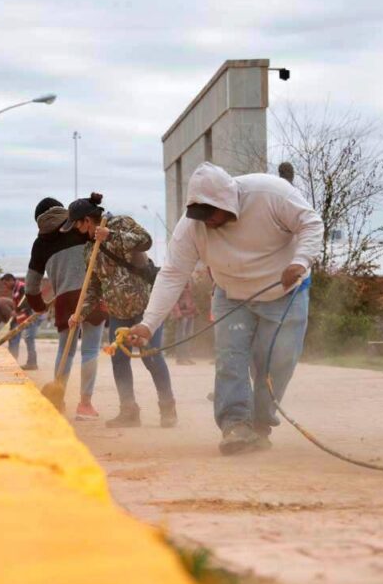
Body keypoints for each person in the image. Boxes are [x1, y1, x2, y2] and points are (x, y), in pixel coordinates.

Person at [129, 162, 324, 455]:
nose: (206, 221)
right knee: (230, 359)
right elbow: (172, 274)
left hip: (286, 291)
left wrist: (300, 260)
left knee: (277, 362)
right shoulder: (191, 226)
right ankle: (235, 425)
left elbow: (311, 223)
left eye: (211, 214)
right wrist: (148, 324)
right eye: (200, 215)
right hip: (231, 294)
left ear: (228, 200)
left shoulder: (270, 194)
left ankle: (260, 425)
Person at [65, 193, 177, 428]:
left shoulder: (121, 223)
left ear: (87, 220)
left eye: (76, 224)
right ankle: (129, 411)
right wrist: (80, 314)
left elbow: (145, 240)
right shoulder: (89, 250)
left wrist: (111, 236)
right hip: (117, 312)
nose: (76, 230)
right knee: (119, 361)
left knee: (152, 357)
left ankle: (168, 409)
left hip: (145, 308)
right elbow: (93, 288)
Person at [24, 197, 106, 420]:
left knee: (66, 351)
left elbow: (31, 286)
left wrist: (39, 307)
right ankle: (85, 405)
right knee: (89, 350)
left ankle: (57, 401)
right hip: (94, 293)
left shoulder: (40, 244)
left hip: (65, 301)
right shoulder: (79, 226)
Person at [0, 272, 41, 370]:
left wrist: (16, 312)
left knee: (28, 339)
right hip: (24, 317)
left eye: (5, 284)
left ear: (11, 280)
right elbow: (1, 318)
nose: (5, 286)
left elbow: (28, 301)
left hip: (32, 316)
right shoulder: (15, 290)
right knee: (15, 338)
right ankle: (12, 362)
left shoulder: (22, 287)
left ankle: (31, 363)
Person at [170, 280, 198, 365]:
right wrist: (177, 312)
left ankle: (187, 357)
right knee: (181, 337)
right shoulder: (177, 281)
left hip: (190, 313)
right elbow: (173, 299)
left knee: (189, 336)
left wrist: (194, 309)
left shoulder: (189, 280)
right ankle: (180, 358)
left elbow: (192, 297)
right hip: (182, 313)